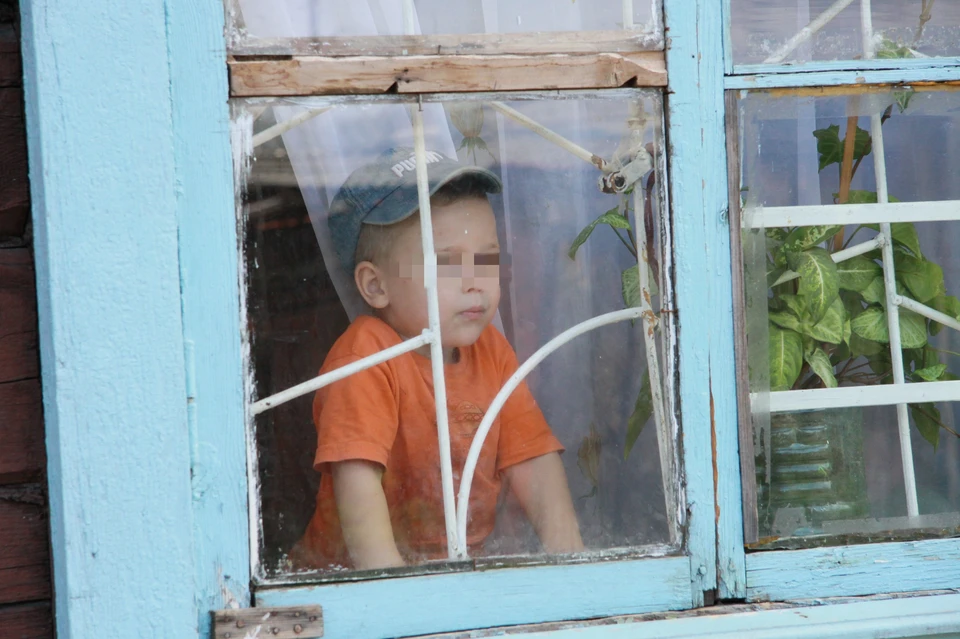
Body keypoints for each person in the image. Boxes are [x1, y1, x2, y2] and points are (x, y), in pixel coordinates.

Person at [291, 147, 583, 571]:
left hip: (452, 577)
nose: (475, 283)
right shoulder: (367, 356)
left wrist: (571, 564)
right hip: (350, 584)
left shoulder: (492, 352)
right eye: (446, 264)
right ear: (375, 286)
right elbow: (357, 481)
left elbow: (533, 462)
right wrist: (394, 590)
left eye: (487, 259)